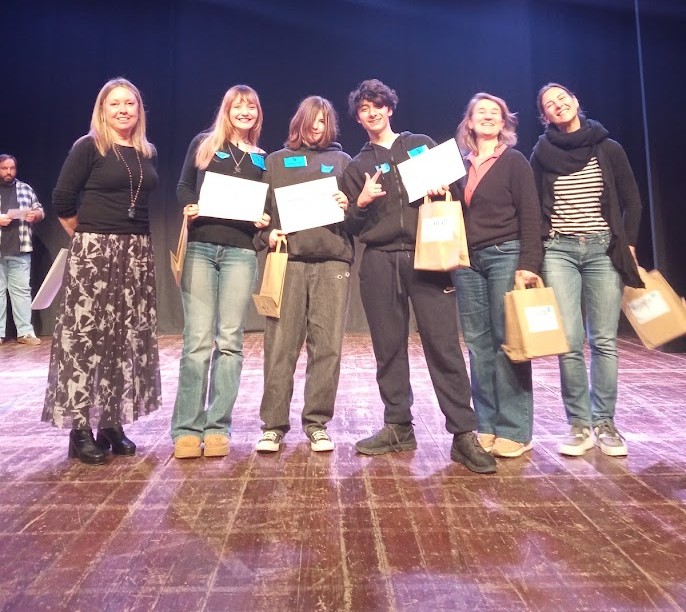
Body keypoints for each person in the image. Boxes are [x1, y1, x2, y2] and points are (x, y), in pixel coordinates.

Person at [342, 79, 496, 474]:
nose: (372, 113)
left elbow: (458, 193)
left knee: (443, 346)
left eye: (377, 105)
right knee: (388, 348)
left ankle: (463, 433)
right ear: (358, 117)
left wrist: (445, 190)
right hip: (379, 260)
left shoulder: (420, 145)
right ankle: (398, 426)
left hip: (427, 254)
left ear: (389, 108)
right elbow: (351, 225)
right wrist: (361, 203)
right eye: (364, 109)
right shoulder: (357, 166)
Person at [42, 77, 161, 465]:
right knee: (86, 341)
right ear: (102, 110)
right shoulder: (89, 146)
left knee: (124, 339)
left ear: (139, 110)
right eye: (115, 104)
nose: (123, 109)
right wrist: (89, 238)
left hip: (137, 252)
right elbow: (62, 199)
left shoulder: (145, 151)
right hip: (95, 252)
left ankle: (111, 422)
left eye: (130, 103)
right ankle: (80, 430)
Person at [530, 83, 643, 458]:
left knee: (604, 340)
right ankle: (579, 423)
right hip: (558, 251)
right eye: (550, 104)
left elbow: (632, 200)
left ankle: (605, 422)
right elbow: (534, 207)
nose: (558, 105)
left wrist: (628, 243)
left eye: (562, 98)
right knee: (569, 340)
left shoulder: (607, 147)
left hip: (602, 249)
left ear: (576, 101)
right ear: (545, 116)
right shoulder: (541, 153)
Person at [171, 84, 270, 459]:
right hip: (200, 247)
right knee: (197, 342)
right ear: (226, 110)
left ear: (257, 114)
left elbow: (268, 205)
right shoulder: (204, 144)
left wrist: (264, 218)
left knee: (230, 342)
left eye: (251, 107)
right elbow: (183, 186)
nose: (245, 112)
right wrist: (190, 205)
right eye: (238, 106)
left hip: (241, 252)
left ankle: (217, 427)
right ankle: (186, 428)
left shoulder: (262, 158)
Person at [255, 96, 352, 453]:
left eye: (323, 120)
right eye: (312, 119)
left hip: (332, 262)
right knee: (280, 346)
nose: (316, 126)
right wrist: (268, 235)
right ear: (299, 122)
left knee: (327, 347)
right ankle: (273, 426)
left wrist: (349, 206)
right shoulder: (275, 162)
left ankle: (317, 424)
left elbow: (360, 216)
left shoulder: (343, 162)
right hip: (288, 262)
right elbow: (259, 214)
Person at [452, 93, 542, 459]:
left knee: (509, 341)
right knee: (478, 344)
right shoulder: (458, 165)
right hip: (466, 261)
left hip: (506, 254)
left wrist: (530, 263)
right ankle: (486, 424)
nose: (488, 117)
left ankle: (515, 430)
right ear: (470, 122)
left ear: (504, 123)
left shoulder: (514, 161)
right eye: (481, 112)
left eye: (495, 113)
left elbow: (531, 213)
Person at [0, 154, 44, 346]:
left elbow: (40, 209)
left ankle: (25, 333)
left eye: (12, 168)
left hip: (20, 249)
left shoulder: (25, 189)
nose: (9, 172)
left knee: (22, 292)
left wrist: (36, 215)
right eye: (4, 168)